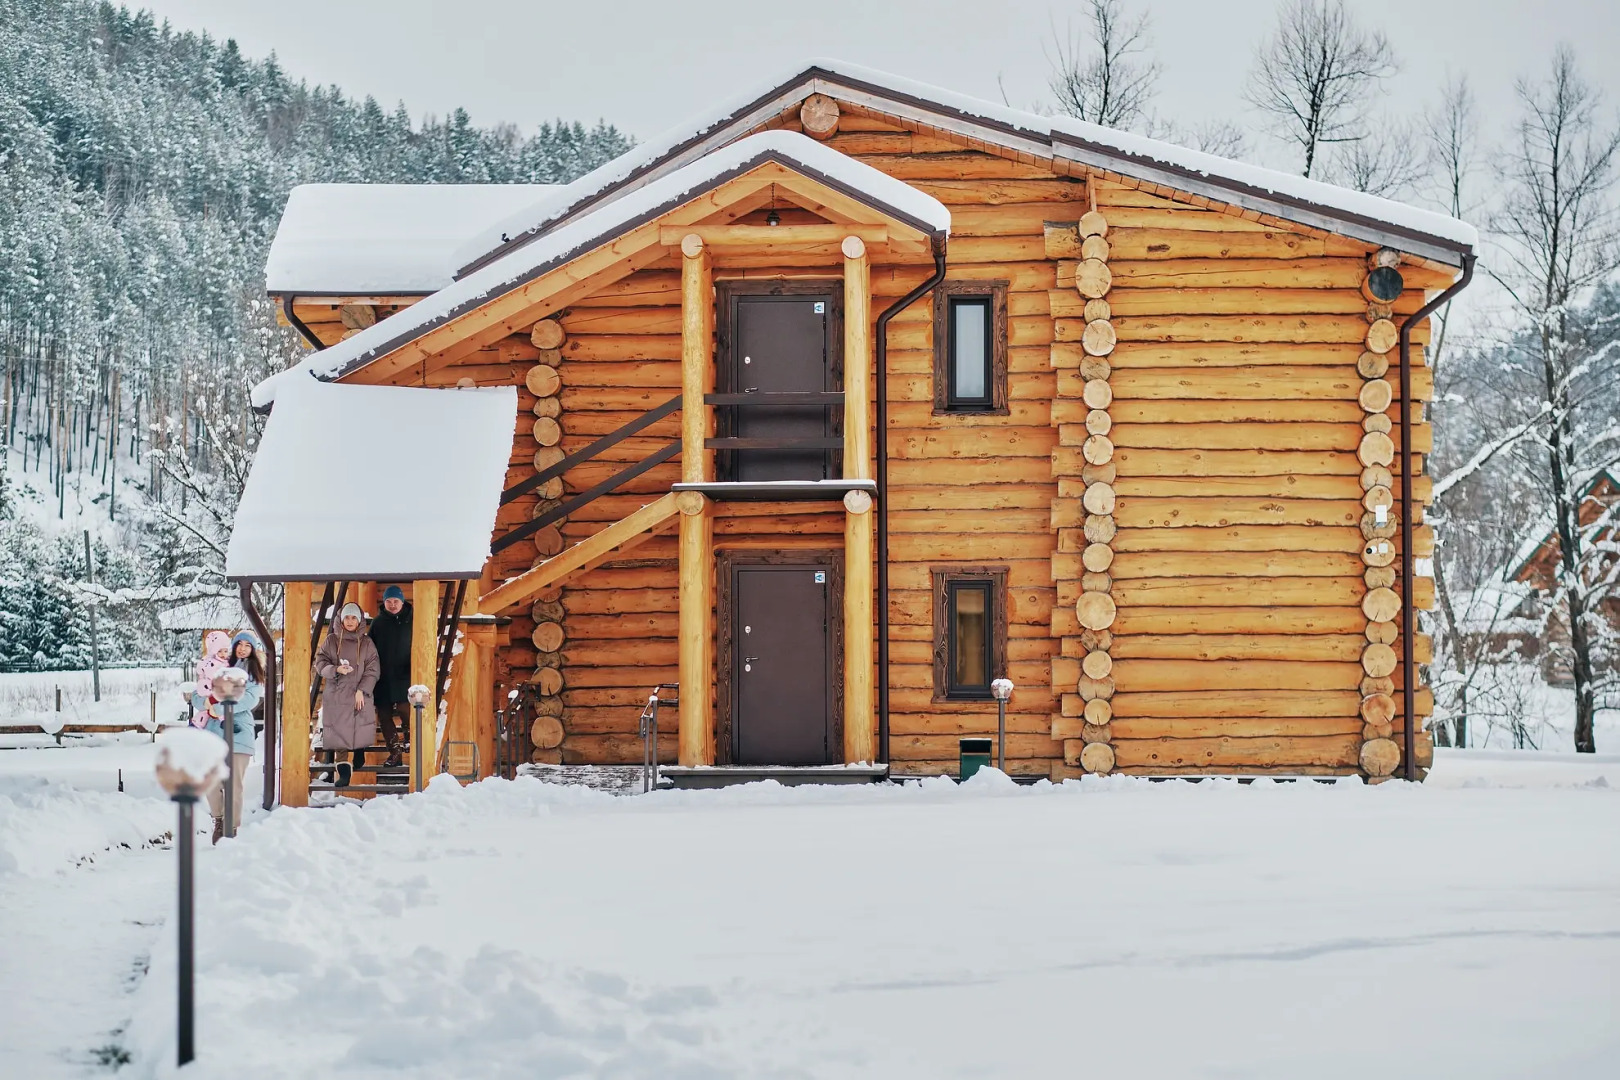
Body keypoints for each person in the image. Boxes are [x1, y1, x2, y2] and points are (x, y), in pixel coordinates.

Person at [192, 630, 264, 843]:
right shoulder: (218, 665)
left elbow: (248, 700)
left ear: (253, 650)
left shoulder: (253, 674)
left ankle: (231, 829)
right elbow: (199, 692)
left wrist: (220, 708)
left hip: (239, 734)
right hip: (214, 734)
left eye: (247, 645)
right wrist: (205, 703)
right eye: (239, 644)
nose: (242, 648)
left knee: (233, 784)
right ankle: (219, 819)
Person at [315, 602, 379, 788]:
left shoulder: (367, 643)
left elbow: (373, 669)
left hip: (360, 693)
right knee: (339, 732)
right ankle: (343, 771)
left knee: (359, 725)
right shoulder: (331, 641)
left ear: (359, 621)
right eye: (347, 618)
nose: (350, 621)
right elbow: (320, 663)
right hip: (337, 694)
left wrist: (362, 690)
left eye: (353, 618)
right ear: (341, 620)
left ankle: (359, 752)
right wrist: (335, 669)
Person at [368, 585, 414, 767]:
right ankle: (395, 752)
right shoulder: (378, 623)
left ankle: (410, 738)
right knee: (384, 715)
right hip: (383, 677)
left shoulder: (413, 619)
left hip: (405, 674)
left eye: (396, 601)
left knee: (406, 710)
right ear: (384, 603)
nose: (393, 605)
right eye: (389, 602)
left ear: (402, 602)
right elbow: (369, 649)